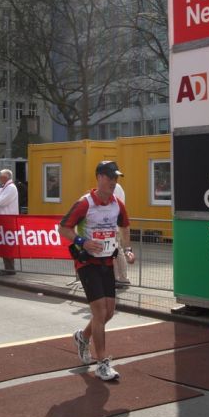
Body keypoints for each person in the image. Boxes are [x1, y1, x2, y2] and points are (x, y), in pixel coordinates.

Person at [59, 160, 135, 381]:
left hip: (107, 262)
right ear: (100, 177)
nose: (114, 182)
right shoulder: (85, 203)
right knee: (100, 312)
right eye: (110, 177)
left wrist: (128, 249)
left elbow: (125, 227)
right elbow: (63, 228)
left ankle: (82, 337)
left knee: (109, 311)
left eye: (116, 178)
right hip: (87, 263)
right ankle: (102, 363)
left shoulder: (117, 204)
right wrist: (82, 241)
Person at [112, 182, 131, 288]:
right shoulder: (119, 187)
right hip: (116, 226)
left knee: (117, 252)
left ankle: (121, 278)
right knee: (117, 252)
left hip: (113, 226)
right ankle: (120, 277)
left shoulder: (114, 187)